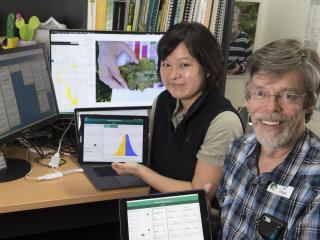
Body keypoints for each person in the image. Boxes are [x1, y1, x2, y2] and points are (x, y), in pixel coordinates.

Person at [112, 22, 243, 200]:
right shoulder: (163, 100)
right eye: (166, 65)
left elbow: (200, 193)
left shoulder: (223, 121)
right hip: (155, 203)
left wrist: (139, 171)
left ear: (207, 68)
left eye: (184, 65)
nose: (173, 74)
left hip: (191, 219)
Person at [216, 39, 320, 239]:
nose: (271, 107)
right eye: (260, 93)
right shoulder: (237, 149)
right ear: (248, 99)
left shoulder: (315, 185)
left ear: (309, 104)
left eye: (288, 96)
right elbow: (227, 219)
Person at [227, 6, 253, 75]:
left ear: (238, 21)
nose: (231, 23)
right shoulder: (220, 38)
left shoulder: (245, 38)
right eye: (229, 20)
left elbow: (250, 60)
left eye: (234, 20)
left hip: (237, 78)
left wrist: (240, 68)